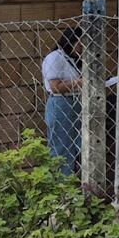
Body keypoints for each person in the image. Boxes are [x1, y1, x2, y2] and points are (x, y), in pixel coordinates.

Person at [41, 27, 83, 175]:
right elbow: (56, 86)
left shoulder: (72, 59)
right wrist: (79, 83)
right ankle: (61, 184)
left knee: (78, 145)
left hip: (76, 103)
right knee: (62, 146)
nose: (82, 48)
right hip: (61, 103)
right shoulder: (55, 57)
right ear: (72, 42)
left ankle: (74, 180)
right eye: (80, 43)